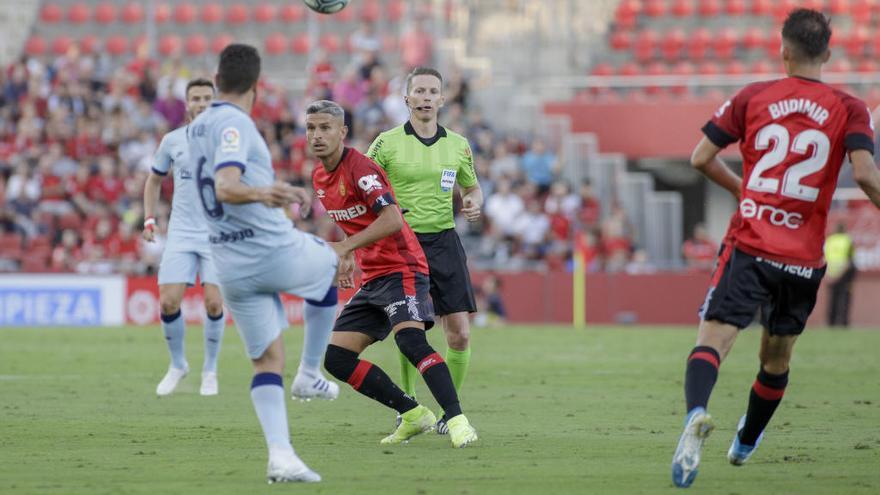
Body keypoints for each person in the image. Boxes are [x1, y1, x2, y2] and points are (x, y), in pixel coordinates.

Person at [670, 9, 880, 488]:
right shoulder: (851, 106)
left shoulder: (753, 96)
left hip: (750, 243)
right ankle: (745, 444)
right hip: (803, 258)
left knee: (714, 339)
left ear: (783, 51)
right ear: (827, 53)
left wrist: (745, 191)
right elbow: (866, 175)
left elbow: (701, 158)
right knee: (776, 359)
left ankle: (697, 413)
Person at [187, 44, 343, 484]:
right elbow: (226, 185)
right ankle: (311, 374)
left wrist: (264, 187)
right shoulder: (235, 123)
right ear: (257, 86)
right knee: (332, 263)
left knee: (268, 360)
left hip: (229, 264)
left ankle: (281, 457)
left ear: (216, 82)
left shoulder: (198, 127)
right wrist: (266, 193)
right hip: (269, 251)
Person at [307, 99, 478, 448]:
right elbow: (353, 222)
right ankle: (413, 413)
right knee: (337, 359)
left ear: (343, 132)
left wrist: (344, 248)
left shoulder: (361, 169)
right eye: (311, 128)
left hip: (402, 266)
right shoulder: (320, 177)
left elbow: (391, 219)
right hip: (373, 277)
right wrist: (348, 254)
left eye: (325, 128)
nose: (317, 135)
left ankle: (458, 420)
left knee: (411, 340)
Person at [367, 67, 483, 435]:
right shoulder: (385, 144)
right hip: (403, 243)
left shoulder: (458, 145)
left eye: (434, 91)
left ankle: (450, 415)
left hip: (445, 241)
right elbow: (363, 184)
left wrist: (473, 201)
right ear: (407, 98)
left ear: (443, 99)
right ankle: (410, 406)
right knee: (410, 328)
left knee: (460, 334)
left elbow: (472, 187)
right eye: (420, 90)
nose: (427, 97)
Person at [143, 78, 225, 397]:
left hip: (217, 235)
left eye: (207, 97)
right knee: (167, 301)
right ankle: (178, 364)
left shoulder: (228, 141)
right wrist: (150, 218)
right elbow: (152, 181)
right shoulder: (173, 141)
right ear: (187, 103)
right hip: (181, 232)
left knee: (215, 303)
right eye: (196, 98)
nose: (202, 103)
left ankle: (210, 370)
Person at [824, 222, 856, 327]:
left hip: (831, 273)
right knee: (844, 298)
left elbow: (824, 258)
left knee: (832, 298)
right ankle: (843, 323)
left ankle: (830, 323)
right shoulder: (848, 240)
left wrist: (827, 275)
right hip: (844, 273)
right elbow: (850, 259)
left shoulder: (829, 240)